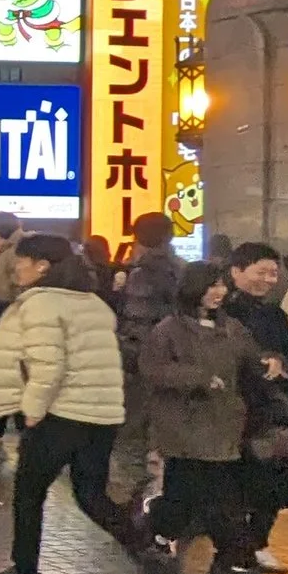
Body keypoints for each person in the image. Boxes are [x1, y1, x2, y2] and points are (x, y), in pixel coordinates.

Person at [0, 235, 134, 574]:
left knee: (29, 493)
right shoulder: (92, 303)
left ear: (42, 266)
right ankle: (147, 550)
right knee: (91, 494)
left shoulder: (41, 304)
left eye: (22, 261)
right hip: (101, 414)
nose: (16, 267)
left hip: (59, 414)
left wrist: (33, 411)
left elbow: (48, 366)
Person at [138, 263, 255, 574]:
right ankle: (165, 532)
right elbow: (152, 369)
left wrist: (273, 363)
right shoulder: (168, 330)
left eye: (221, 286)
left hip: (222, 422)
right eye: (212, 285)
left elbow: (251, 364)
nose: (219, 292)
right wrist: (199, 378)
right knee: (188, 491)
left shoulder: (233, 328)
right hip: (184, 424)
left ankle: (226, 549)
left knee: (216, 490)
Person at [223, 241, 288, 569]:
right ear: (236, 272)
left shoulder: (274, 313)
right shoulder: (226, 314)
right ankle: (238, 548)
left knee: (274, 479)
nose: (269, 280)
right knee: (237, 481)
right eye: (261, 272)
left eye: (274, 273)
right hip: (236, 408)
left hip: (272, 409)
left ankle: (256, 542)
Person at [107, 211, 184, 504]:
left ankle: (133, 501)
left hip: (143, 364)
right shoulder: (184, 270)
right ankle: (165, 494)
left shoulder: (140, 274)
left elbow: (137, 325)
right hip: (179, 362)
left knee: (132, 434)